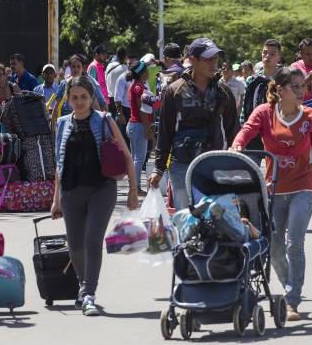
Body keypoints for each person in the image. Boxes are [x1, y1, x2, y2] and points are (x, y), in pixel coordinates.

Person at [231, 67, 312, 321]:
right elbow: (246, 131)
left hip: (303, 186)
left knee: (294, 241)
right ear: (279, 90)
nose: (302, 92)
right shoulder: (264, 113)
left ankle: (292, 299)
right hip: (274, 187)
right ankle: (289, 285)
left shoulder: (311, 116)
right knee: (275, 246)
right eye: (295, 87)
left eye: (303, 87)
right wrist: (237, 145)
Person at [51, 76, 139, 316]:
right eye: (74, 98)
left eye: (84, 97)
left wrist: (133, 191)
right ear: (67, 100)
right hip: (71, 190)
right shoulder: (62, 124)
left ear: (92, 98)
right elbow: (59, 164)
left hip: (102, 188)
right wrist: (55, 199)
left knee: (92, 240)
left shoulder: (104, 120)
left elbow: (127, 156)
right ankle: (82, 285)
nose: (79, 102)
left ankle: (89, 293)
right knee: (75, 245)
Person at [149, 38, 238, 210]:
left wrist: (235, 163)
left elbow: (233, 131)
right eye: (207, 59)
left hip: (214, 163)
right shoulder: (174, 90)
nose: (213, 63)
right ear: (193, 59)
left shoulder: (223, 92)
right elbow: (165, 131)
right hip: (181, 164)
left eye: (215, 58)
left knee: (213, 217)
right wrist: (159, 168)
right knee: (185, 218)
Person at [242, 39, 282, 152]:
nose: (267, 56)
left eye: (272, 54)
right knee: (251, 167)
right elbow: (245, 107)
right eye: (265, 52)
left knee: (275, 167)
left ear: (279, 57)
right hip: (255, 133)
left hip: (277, 133)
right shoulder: (252, 79)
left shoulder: (285, 79)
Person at [50, 54, 108, 128]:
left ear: (83, 68)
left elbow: (96, 105)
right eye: (73, 66)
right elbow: (57, 105)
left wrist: (99, 125)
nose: (76, 69)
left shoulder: (89, 84)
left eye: (78, 66)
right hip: (67, 125)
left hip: (85, 124)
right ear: (70, 68)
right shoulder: (64, 84)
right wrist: (53, 124)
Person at [126, 60, 153, 195]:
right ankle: (135, 187)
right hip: (138, 125)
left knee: (135, 158)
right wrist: (147, 128)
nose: (149, 72)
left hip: (134, 125)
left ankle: (134, 186)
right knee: (139, 159)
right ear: (143, 72)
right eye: (147, 69)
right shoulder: (139, 88)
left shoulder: (135, 85)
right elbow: (142, 110)